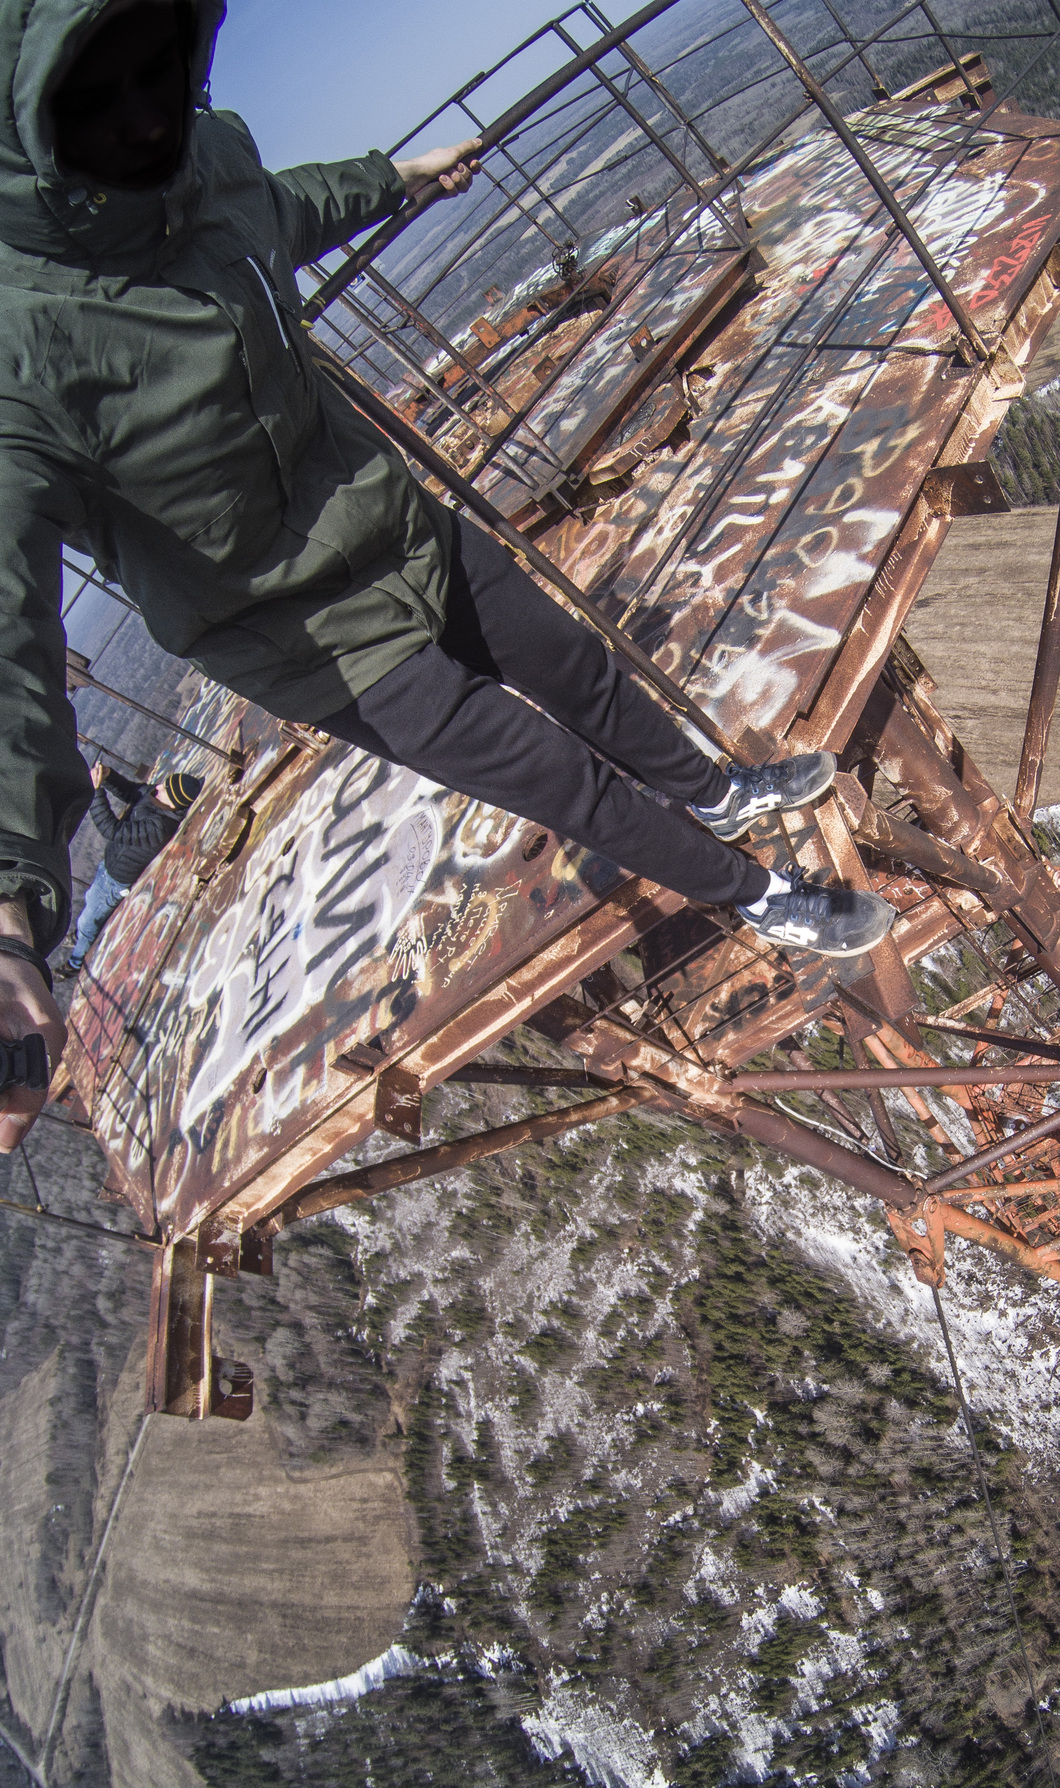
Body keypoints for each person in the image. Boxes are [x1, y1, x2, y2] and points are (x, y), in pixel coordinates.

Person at [0, 0, 893, 1153]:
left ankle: (722, 790)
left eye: (154, 73)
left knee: (577, 663)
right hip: (313, 643)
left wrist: (396, 178)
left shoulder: (206, 161)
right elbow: (13, 650)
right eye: (90, 103)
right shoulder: (24, 349)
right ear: (30, 134)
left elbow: (277, 211)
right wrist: (13, 911)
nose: (137, 121)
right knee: (558, 779)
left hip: (393, 519)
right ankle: (761, 897)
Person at [63, 763, 204, 973]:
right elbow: (131, 791)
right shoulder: (156, 797)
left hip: (115, 880)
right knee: (91, 902)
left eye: (165, 788)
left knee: (88, 920)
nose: (159, 787)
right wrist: (110, 777)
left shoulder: (158, 827)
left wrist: (96, 792)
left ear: (173, 803)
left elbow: (111, 829)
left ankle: (74, 964)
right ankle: (81, 935)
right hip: (108, 868)